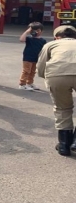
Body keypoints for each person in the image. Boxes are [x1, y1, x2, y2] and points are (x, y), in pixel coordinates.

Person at [36, 25, 76, 156]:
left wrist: (47, 78)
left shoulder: (51, 45)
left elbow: (41, 66)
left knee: (62, 108)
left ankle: (64, 145)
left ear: (56, 37)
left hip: (56, 75)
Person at [18, 22, 46, 91]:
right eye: (34, 30)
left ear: (41, 31)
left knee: (33, 71)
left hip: (36, 58)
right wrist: (27, 32)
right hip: (28, 57)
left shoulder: (43, 40)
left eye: (38, 30)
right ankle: (22, 84)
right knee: (26, 71)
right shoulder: (29, 39)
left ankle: (29, 83)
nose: (36, 32)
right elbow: (21, 39)